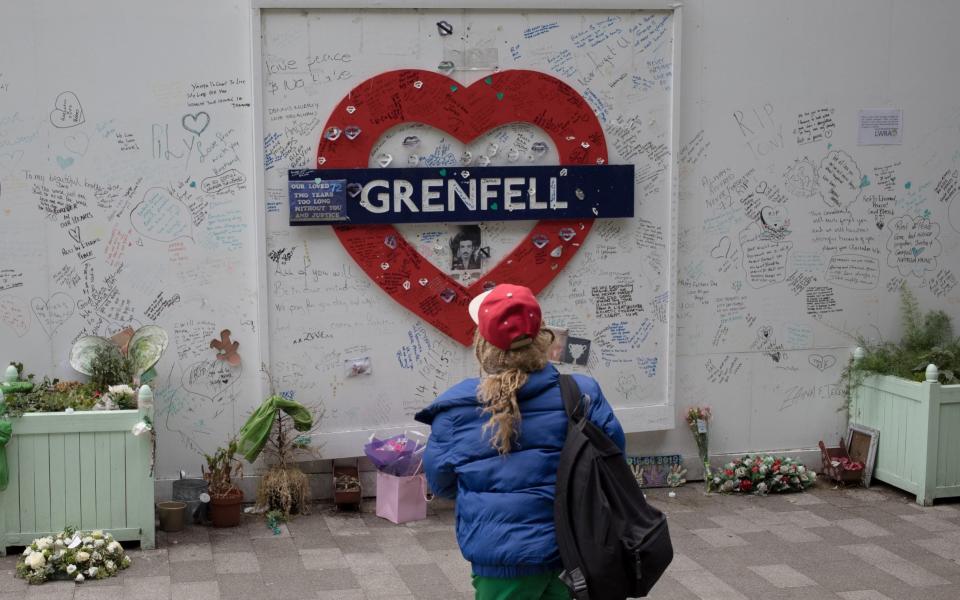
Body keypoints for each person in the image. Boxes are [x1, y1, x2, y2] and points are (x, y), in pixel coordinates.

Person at [415, 284, 625, 600]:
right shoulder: (582, 394)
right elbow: (615, 458)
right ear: (543, 337)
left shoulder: (456, 410)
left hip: (500, 558)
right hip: (576, 552)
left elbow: (441, 484)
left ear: (482, 345)